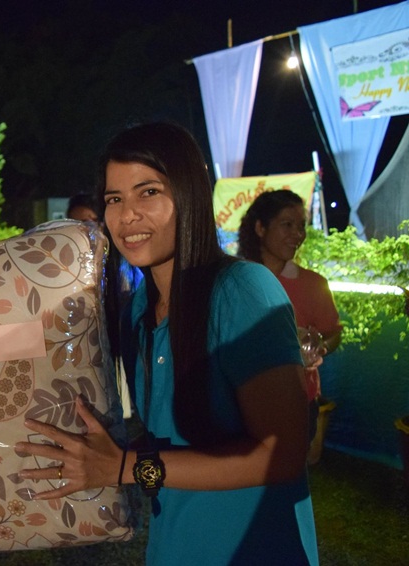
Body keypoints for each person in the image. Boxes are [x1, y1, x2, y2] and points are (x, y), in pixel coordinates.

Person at [16, 122, 318, 565]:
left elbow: (284, 454)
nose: (127, 215)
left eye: (149, 192)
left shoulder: (242, 289)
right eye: (114, 199)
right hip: (174, 547)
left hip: (255, 550)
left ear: (189, 195)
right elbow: (166, 438)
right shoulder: (139, 309)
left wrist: (123, 467)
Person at [238, 189, 342, 442]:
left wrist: (319, 347)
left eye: (301, 226)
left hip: (297, 401)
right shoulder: (235, 279)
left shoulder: (313, 284)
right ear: (260, 228)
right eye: (287, 224)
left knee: (292, 465)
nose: (297, 234)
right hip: (241, 398)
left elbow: (333, 333)